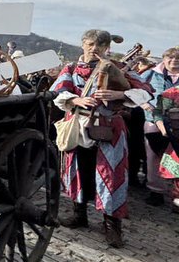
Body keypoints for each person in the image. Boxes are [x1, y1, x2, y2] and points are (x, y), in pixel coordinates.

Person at [50, 29, 152, 247]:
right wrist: (76, 101)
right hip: (77, 126)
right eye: (89, 43)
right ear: (83, 44)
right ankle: (79, 214)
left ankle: (112, 225)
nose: (93, 48)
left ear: (108, 48)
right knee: (77, 170)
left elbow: (146, 90)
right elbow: (59, 91)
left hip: (110, 128)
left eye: (99, 44)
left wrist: (120, 95)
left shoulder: (120, 68)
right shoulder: (70, 68)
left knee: (111, 174)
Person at [142, 48, 179, 208]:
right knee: (153, 157)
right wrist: (143, 104)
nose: (174, 60)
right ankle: (156, 191)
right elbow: (134, 89)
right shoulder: (151, 74)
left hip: (177, 124)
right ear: (164, 58)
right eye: (170, 57)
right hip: (153, 121)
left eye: (178, 58)